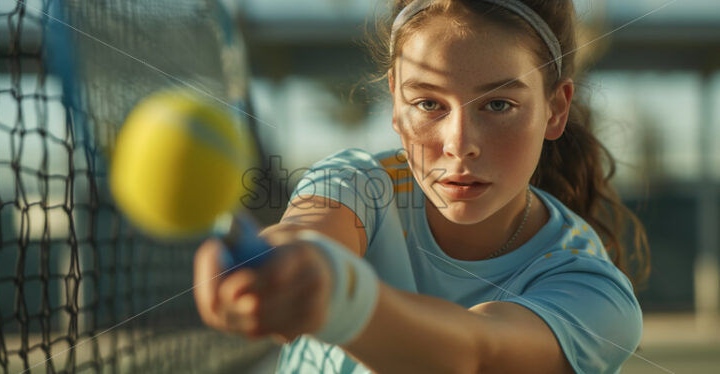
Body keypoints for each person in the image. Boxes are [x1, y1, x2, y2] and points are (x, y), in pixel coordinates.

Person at [193, 0, 651, 373]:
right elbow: (307, 233)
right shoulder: (360, 182)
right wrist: (269, 267)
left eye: (498, 104)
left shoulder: (596, 296)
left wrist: (340, 297)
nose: (459, 144)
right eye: (429, 102)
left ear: (555, 109)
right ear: (395, 103)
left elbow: (475, 354)